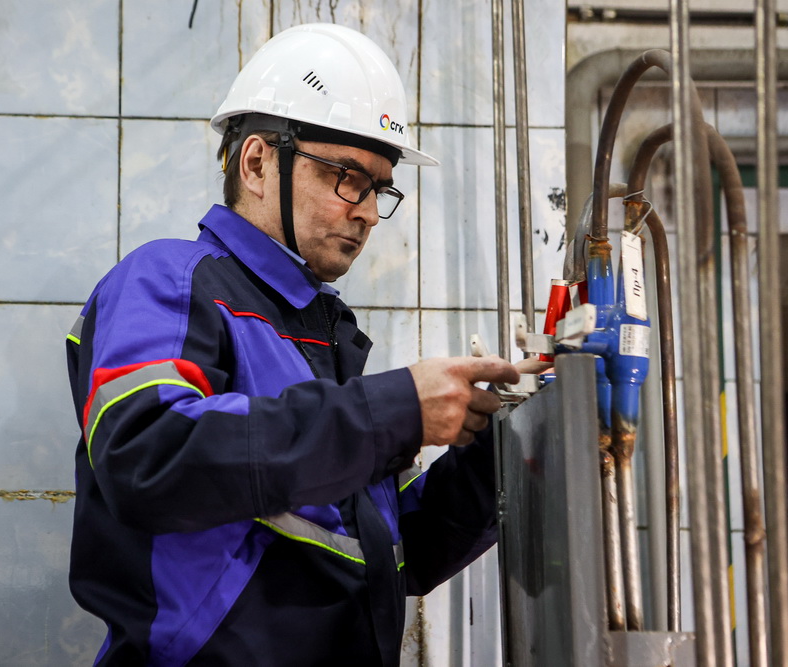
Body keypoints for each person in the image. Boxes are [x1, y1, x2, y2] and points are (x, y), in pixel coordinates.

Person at [66, 22, 525, 666]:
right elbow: (149, 453)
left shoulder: (322, 334)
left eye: (379, 188)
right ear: (256, 162)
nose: (368, 211)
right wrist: (394, 410)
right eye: (348, 176)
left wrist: (505, 448)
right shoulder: (170, 279)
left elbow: (389, 556)